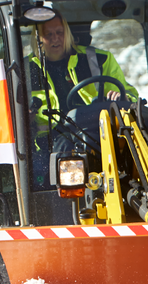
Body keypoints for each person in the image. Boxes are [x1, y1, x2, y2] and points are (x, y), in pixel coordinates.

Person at [27, 10, 138, 184]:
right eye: (48, 34)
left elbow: (130, 94)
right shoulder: (25, 71)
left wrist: (122, 97)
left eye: (59, 32)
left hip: (97, 136)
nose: (55, 38)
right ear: (38, 39)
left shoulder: (98, 60)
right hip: (45, 145)